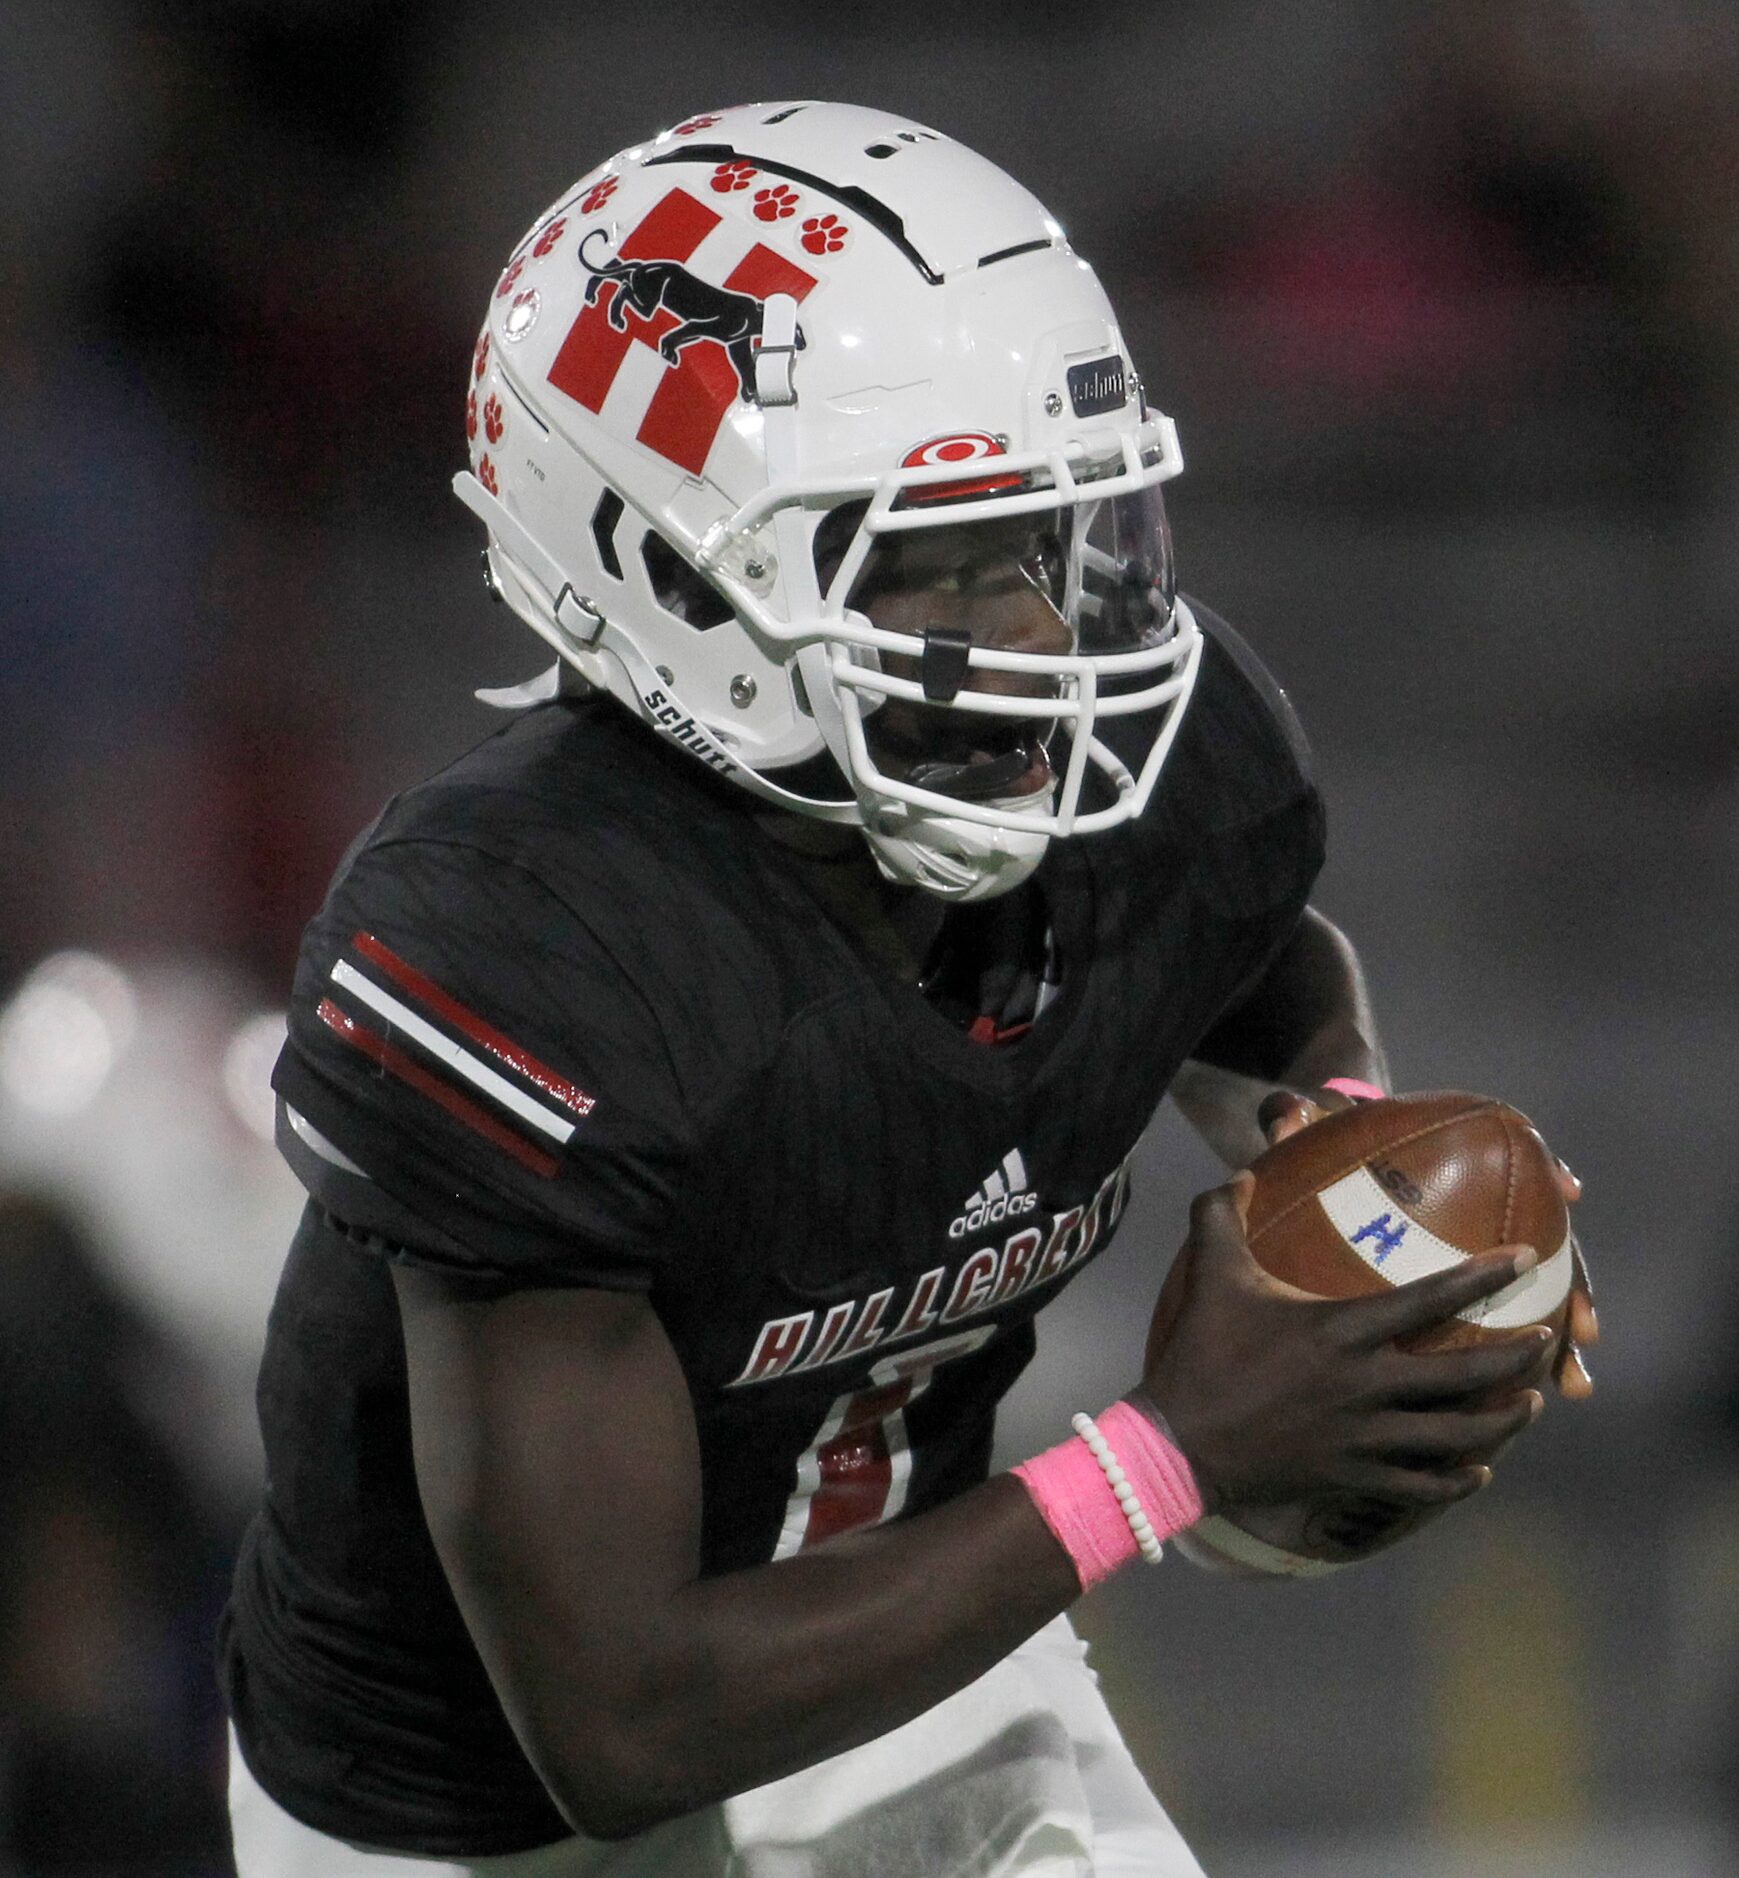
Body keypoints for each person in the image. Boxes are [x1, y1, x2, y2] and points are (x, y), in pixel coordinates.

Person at [219, 102, 1594, 1877]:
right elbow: (615, 1721)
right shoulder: (521, 947)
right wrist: (1168, 1455)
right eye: (938, 557)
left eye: (1054, 538)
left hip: (927, 1661)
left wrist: (1335, 1144)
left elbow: (1246, 948)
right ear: (664, 567)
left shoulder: (1144, 771)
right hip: (476, 1808)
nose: (1042, 636)